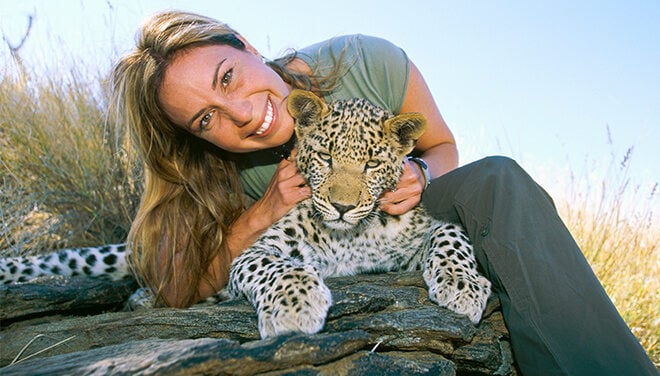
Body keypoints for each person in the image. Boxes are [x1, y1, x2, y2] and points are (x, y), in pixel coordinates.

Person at [110, 10, 656, 375]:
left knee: (498, 180)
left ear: (246, 46)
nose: (245, 115)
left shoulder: (367, 61)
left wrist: (420, 172)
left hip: (397, 217)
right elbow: (178, 283)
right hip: (307, 246)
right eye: (207, 119)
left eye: (227, 77)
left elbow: (443, 146)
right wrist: (264, 212)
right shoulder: (209, 168)